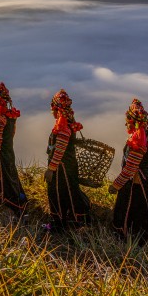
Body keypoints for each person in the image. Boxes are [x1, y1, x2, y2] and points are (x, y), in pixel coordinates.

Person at [109, 98, 148, 241]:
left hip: (137, 184)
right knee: (140, 211)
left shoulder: (138, 137)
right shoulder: (141, 133)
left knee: (134, 210)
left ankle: (132, 238)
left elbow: (131, 166)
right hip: (138, 182)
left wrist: (116, 184)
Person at [44, 89, 92, 231]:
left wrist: (51, 169)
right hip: (67, 167)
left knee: (58, 193)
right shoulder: (67, 122)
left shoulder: (63, 125)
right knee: (70, 192)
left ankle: (58, 223)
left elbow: (60, 149)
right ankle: (75, 221)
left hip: (61, 169)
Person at [0, 82, 27, 213]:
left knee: (1, 180)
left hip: (0, 155)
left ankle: (7, 206)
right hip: (9, 152)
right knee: (11, 178)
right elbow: (12, 134)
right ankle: (20, 202)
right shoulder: (10, 115)